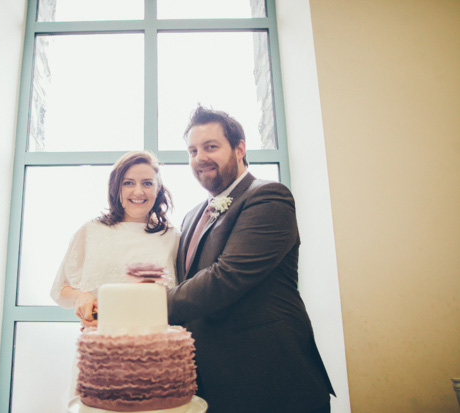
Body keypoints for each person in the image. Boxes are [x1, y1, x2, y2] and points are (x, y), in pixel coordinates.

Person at [166, 106, 335, 412]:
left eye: (210, 147)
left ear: (240, 148)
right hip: (208, 384)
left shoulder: (269, 197)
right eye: (192, 150)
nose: (199, 157)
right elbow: (187, 289)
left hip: (272, 380)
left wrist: (144, 305)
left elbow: (226, 277)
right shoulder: (191, 217)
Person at [50, 151, 179, 327]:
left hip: (157, 347)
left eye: (147, 183)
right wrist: (81, 296)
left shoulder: (173, 238)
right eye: (128, 183)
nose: (138, 191)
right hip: (99, 345)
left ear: (158, 190)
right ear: (116, 188)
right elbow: (59, 290)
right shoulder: (90, 232)